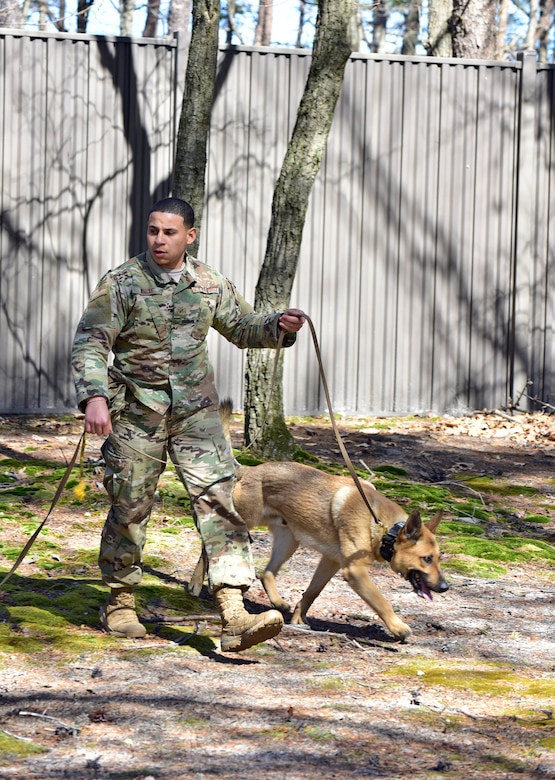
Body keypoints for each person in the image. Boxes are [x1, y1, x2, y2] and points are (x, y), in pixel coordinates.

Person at [71, 197, 305, 652]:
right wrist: (94, 396)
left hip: (196, 416)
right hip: (137, 414)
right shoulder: (122, 283)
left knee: (221, 503)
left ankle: (233, 611)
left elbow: (242, 327)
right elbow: (92, 342)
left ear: (190, 236)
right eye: (153, 230)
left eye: (170, 232)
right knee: (130, 505)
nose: (159, 240)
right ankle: (120, 600)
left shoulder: (208, 283)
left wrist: (280, 325)